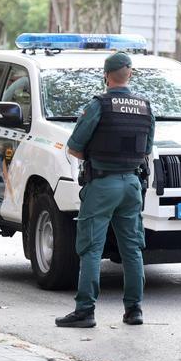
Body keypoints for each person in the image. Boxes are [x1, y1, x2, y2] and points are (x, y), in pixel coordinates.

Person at [55, 52, 155, 328]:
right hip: (132, 185)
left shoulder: (99, 105)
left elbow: (74, 146)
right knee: (132, 249)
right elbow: (146, 149)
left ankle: (85, 311)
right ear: (129, 74)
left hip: (102, 185)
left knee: (91, 249)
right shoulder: (145, 107)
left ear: (106, 76)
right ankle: (134, 310)